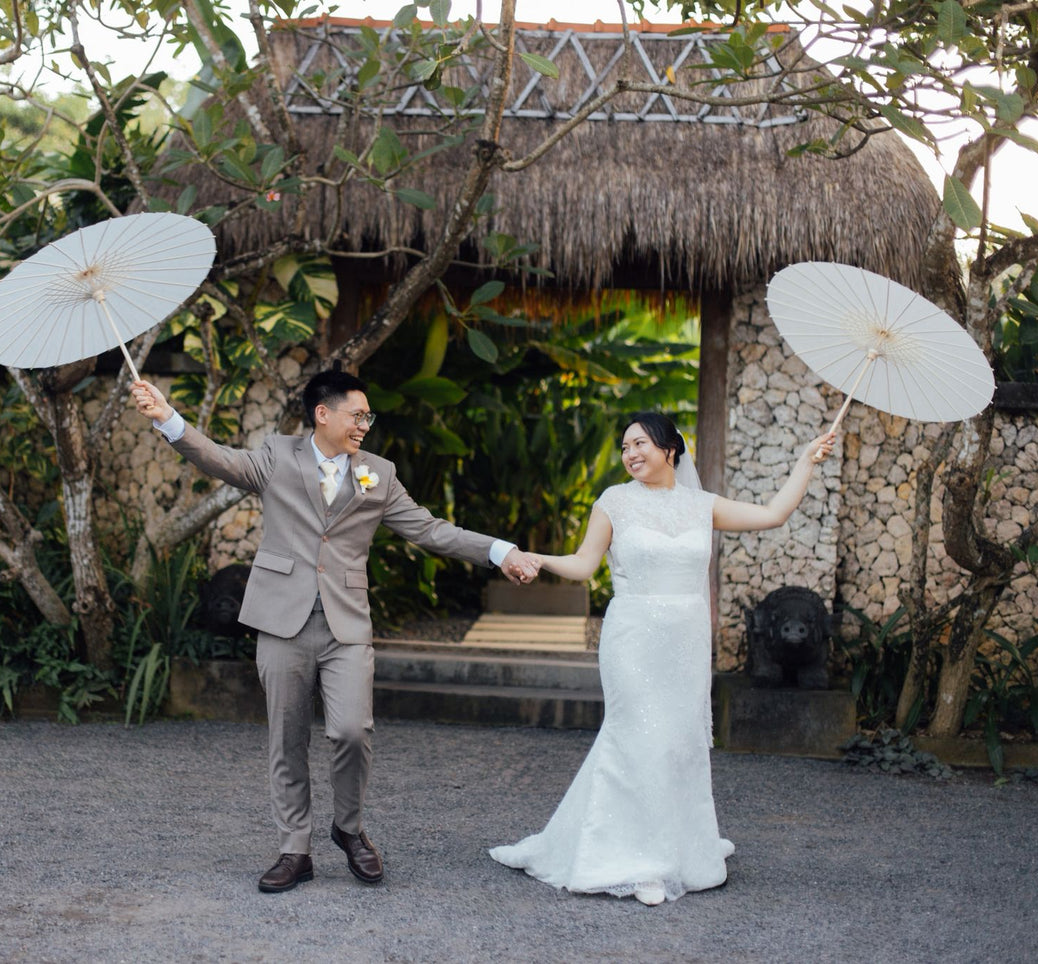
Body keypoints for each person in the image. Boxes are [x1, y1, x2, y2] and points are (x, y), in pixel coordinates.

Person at [132, 370, 540, 893]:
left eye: (368, 417)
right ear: (323, 413)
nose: (365, 425)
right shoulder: (277, 455)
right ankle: (294, 849)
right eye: (357, 414)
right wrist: (167, 417)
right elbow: (219, 458)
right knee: (286, 737)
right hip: (282, 620)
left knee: (352, 731)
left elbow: (431, 529)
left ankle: (348, 829)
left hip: (346, 622)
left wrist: (500, 551)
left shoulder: (380, 474)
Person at [489, 411, 835, 906]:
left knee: (676, 743)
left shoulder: (702, 505)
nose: (630, 454)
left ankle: (677, 848)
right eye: (625, 447)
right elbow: (586, 564)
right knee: (635, 735)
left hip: (686, 642)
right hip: (632, 637)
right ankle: (636, 862)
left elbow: (772, 515)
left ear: (670, 449)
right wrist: (541, 559)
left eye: (640, 444)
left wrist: (805, 462)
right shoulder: (614, 502)